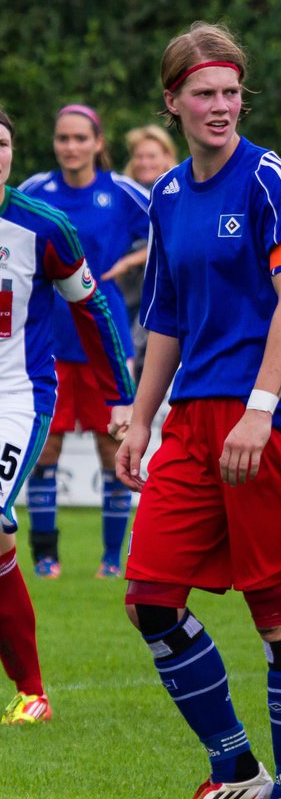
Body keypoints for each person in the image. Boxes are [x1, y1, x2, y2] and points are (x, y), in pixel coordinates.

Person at [114, 22, 281, 799]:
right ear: (172, 101)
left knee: (279, 616)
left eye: (231, 91)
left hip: (269, 422)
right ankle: (236, 769)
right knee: (151, 600)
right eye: (203, 93)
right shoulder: (167, 195)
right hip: (191, 426)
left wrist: (261, 409)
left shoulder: (271, 180)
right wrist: (140, 419)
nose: (220, 106)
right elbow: (165, 317)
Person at [0, 106, 134, 725]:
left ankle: (33, 691)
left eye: (2, 143)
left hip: (17, 397)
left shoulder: (43, 226)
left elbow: (94, 309)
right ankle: (32, 691)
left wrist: (123, 394)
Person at [17, 104, 149, 579]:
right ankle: (44, 557)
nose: (70, 147)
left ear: (98, 142)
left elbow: (171, 229)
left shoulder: (120, 192)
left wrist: (132, 265)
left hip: (103, 335)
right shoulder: (35, 190)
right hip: (46, 337)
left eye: (79, 138)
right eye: (62, 139)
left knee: (111, 447)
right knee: (44, 448)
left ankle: (112, 561)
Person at [121, 125, 180, 368]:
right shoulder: (124, 193)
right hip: (127, 289)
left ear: (167, 156)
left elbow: (172, 241)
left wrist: (129, 261)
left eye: (152, 156)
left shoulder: (176, 191)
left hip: (160, 284)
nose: (144, 162)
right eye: (139, 156)